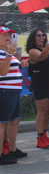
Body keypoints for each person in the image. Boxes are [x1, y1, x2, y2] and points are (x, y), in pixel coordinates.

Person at [26, 28, 49, 149]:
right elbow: (42, 57)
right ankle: (39, 137)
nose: (42, 37)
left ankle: (45, 134)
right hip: (40, 82)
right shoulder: (32, 51)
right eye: (38, 35)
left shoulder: (47, 49)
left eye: (43, 35)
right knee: (42, 111)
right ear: (33, 38)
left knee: (48, 110)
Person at [0, 25, 29, 164]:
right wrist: (9, 55)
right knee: (2, 123)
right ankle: (1, 154)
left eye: (9, 35)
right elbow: (3, 72)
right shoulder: (3, 53)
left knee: (14, 121)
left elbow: (9, 68)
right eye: (4, 35)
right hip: (5, 91)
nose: (8, 37)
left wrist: (20, 65)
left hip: (13, 91)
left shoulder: (6, 52)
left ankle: (12, 149)